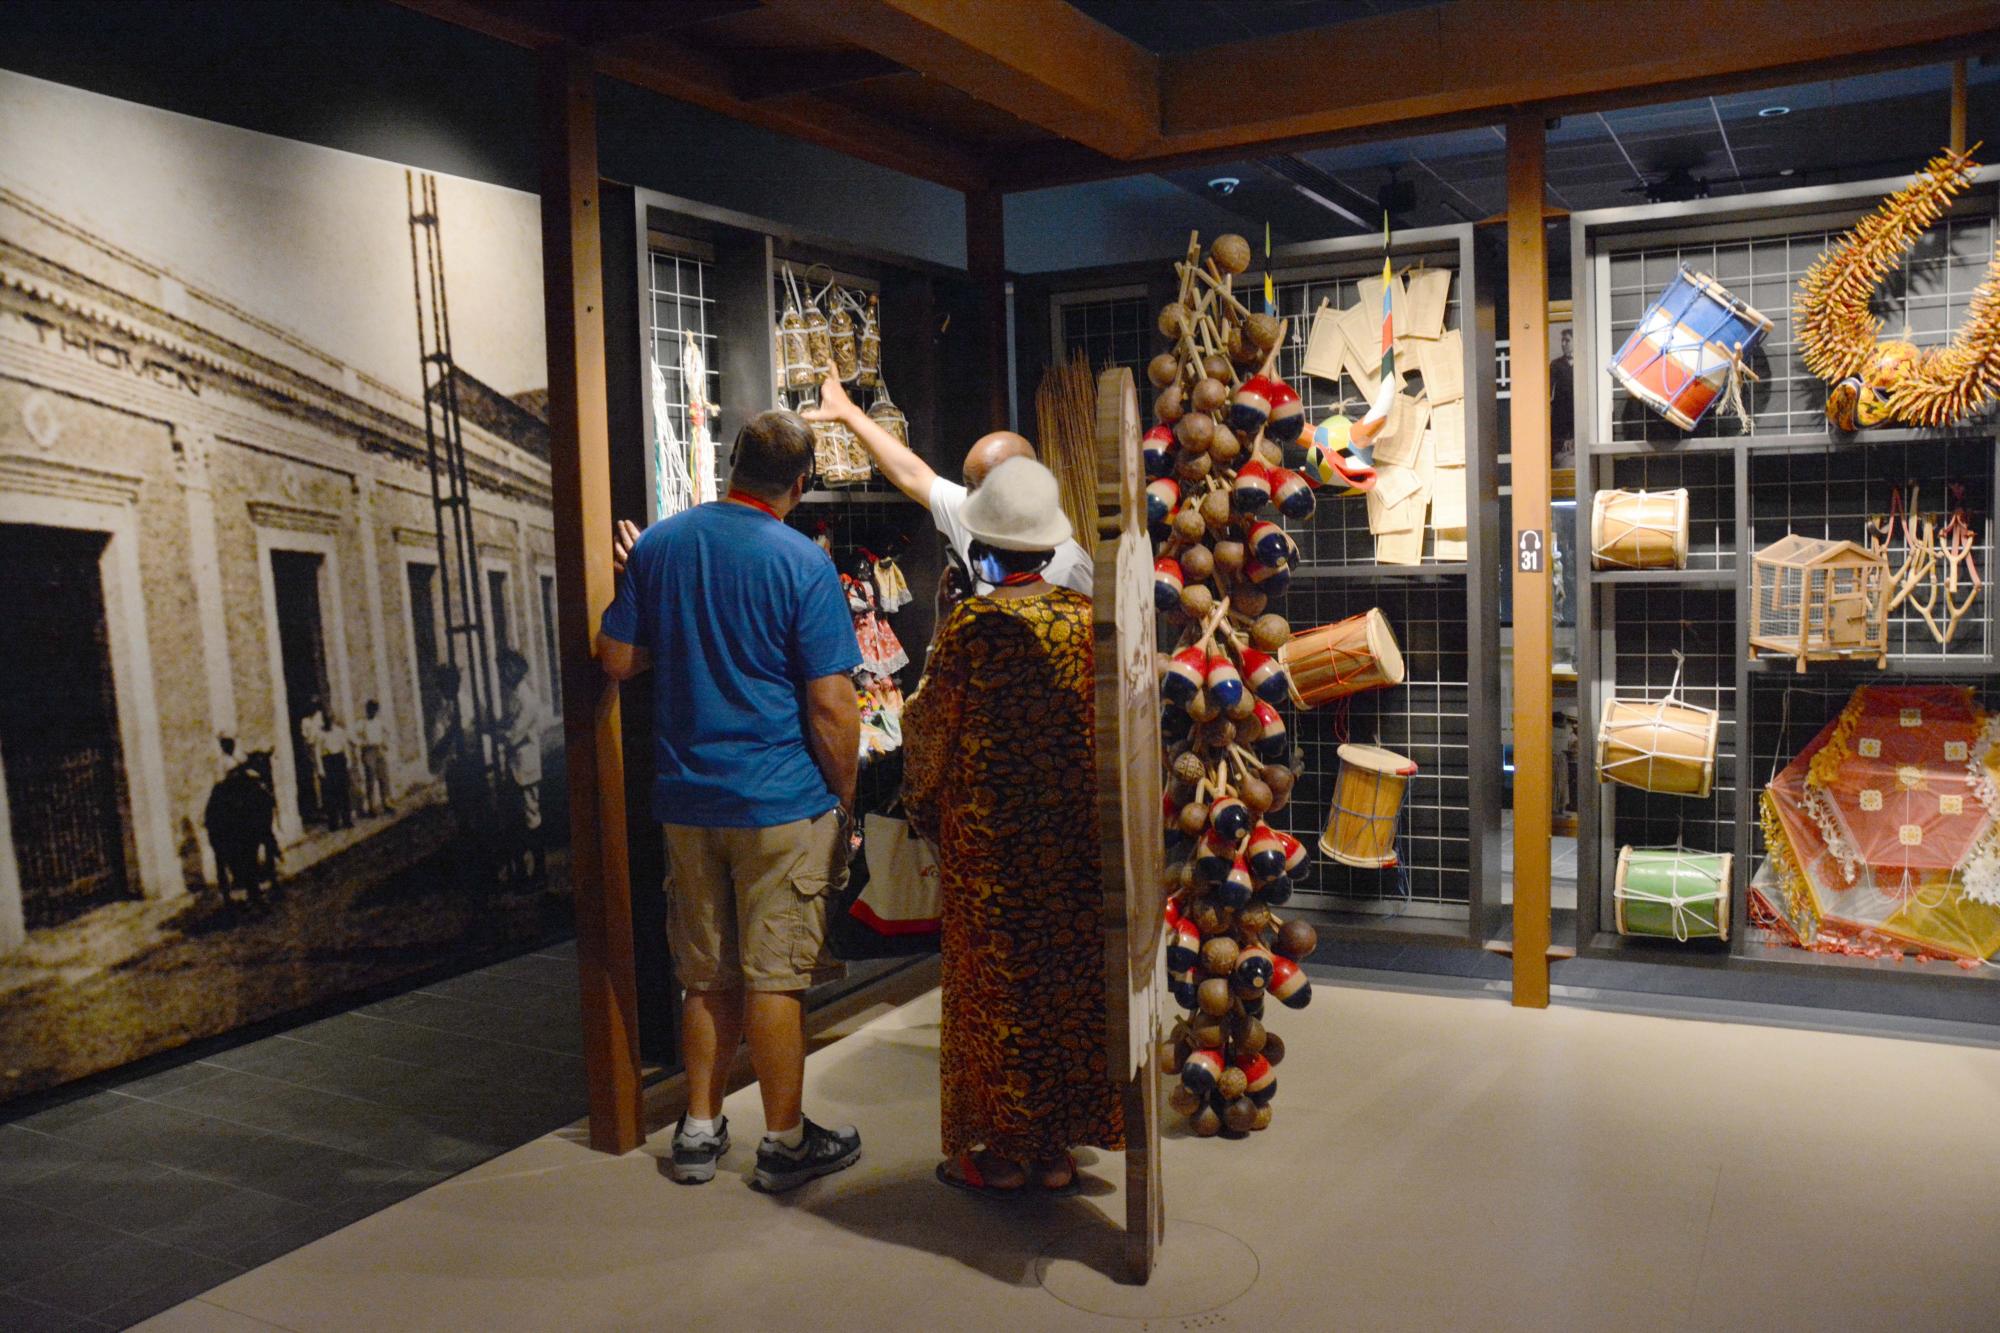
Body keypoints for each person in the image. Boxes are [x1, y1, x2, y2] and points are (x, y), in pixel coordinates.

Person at [599, 409, 865, 1193]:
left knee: (706, 973)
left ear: (732, 463)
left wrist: (655, 593)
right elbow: (832, 704)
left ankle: (697, 1127)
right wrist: (845, 798)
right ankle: (783, 1141)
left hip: (687, 800)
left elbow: (616, 658)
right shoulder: (803, 562)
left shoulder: (660, 545)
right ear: (801, 483)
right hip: (779, 801)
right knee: (775, 976)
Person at [901, 457, 1124, 1196]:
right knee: (1064, 984)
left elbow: (930, 726)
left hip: (992, 847)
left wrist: (921, 805)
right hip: (1073, 839)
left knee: (997, 993)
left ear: (987, 547)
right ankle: (1055, 1148)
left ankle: (1005, 1152)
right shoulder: (1084, 620)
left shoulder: (975, 625)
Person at [806, 369, 1094, 598]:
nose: (969, 501)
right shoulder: (975, 510)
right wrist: (850, 414)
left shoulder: (1066, 567)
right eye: (969, 487)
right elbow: (913, 475)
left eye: (983, 493)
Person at [492, 651, 545, 884]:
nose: (502, 675)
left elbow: (513, 735)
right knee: (516, 818)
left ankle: (540, 871)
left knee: (531, 816)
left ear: (515, 670)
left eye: (505, 669)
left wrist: (496, 731)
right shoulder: (513, 695)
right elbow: (506, 723)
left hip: (526, 766)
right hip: (514, 765)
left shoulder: (528, 699)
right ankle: (522, 869)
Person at [355, 699, 394, 816]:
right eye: (370, 709)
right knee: (370, 778)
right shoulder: (362, 723)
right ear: (367, 710)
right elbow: (352, 735)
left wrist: (386, 743)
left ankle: (386, 803)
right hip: (368, 751)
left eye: (374, 709)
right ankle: (371, 807)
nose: (372, 712)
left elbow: (388, 732)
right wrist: (362, 743)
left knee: (383, 777)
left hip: (379, 749)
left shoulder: (379, 722)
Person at [318, 708, 353, 831]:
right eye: (326, 719)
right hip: (328, 761)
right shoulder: (320, 733)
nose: (328, 721)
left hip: (339, 760)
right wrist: (320, 768)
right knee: (330, 793)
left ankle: (347, 820)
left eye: (330, 718)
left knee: (343, 791)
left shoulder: (339, 731)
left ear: (333, 719)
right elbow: (317, 751)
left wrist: (348, 761)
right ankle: (333, 822)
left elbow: (345, 747)